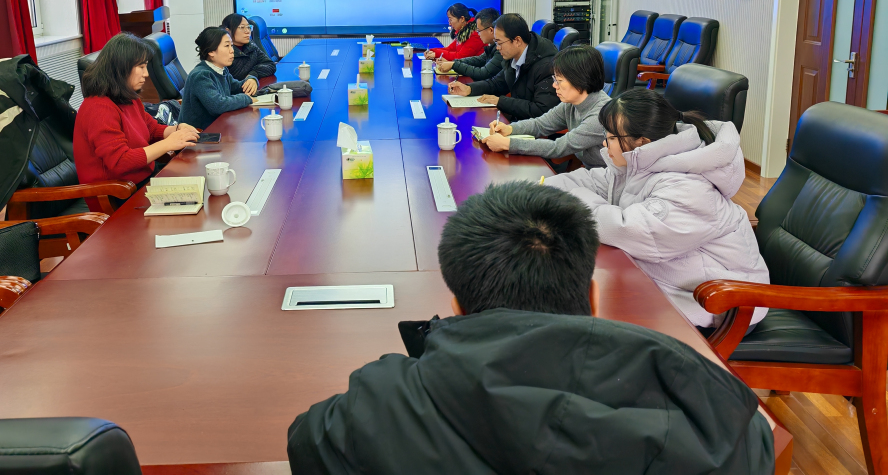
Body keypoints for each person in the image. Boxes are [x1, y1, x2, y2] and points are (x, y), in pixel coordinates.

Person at [287, 182, 775, 474]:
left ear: (457, 306)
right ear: (592, 298)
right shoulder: (719, 420)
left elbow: (307, 441)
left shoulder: (374, 408)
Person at [544, 88, 770, 331]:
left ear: (642, 143)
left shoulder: (689, 187)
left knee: (580, 312)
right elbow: (596, 181)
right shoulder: (643, 161)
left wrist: (568, 202)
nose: (604, 143)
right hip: (672, 281)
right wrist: (539, 189)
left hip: (721, 305)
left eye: (611, 137)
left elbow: (630, 230)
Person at [74, 32, 199, 191]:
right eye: (141, 67)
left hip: (143, 178)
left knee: (198, 175)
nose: (146, 74)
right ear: (121, 67)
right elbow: (120, 162)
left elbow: (150, 129)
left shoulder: (128, 97)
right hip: (119, 193)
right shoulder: (98, 108)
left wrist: (176, 130)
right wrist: (168, 143)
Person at [484, 45, 610, 167]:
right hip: (589, 172)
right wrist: (510, 129)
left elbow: (558, 147)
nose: (554, 85)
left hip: (606, 177)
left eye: (559, 81)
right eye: (555, 79)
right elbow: (541, 124)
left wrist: (508, 144)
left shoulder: (600, 116)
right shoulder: (572, 103)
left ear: (580, 80)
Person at [447, 13, 558, 121]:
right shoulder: (513, 55)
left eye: (499, 43)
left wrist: (500, 101)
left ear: (517, 41)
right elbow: (497, 83)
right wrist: (469, 89)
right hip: (519, 121)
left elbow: (541, 110)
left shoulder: (546, 66)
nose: (497, 48)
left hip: (532, 128)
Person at [179, 27, 254, 129]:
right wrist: (246, 98)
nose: (232, 51)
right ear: (211, 51)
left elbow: (236, 87)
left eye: (231, 45)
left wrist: (252, 80)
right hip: (200, 133)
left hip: (219, 125)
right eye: (227, 46)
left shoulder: (221, 69)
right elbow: (218, 105)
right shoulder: (201, 75)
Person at [434, 7, 503, 81]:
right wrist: (452, 63)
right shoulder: (492, 46)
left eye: (479, 30)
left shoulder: (501, 49)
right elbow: (478, 60)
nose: (478, 34)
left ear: (491, 30)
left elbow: (482, 73)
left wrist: (453, 64)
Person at [220, 14, 276, 97]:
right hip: (233, 98)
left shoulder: (250, 45)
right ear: (228, 31)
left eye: (248, 27)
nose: (247, 31)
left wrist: (253, 75)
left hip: (250, 93)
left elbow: (270, 64)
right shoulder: (223, 52)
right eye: (242, 27)